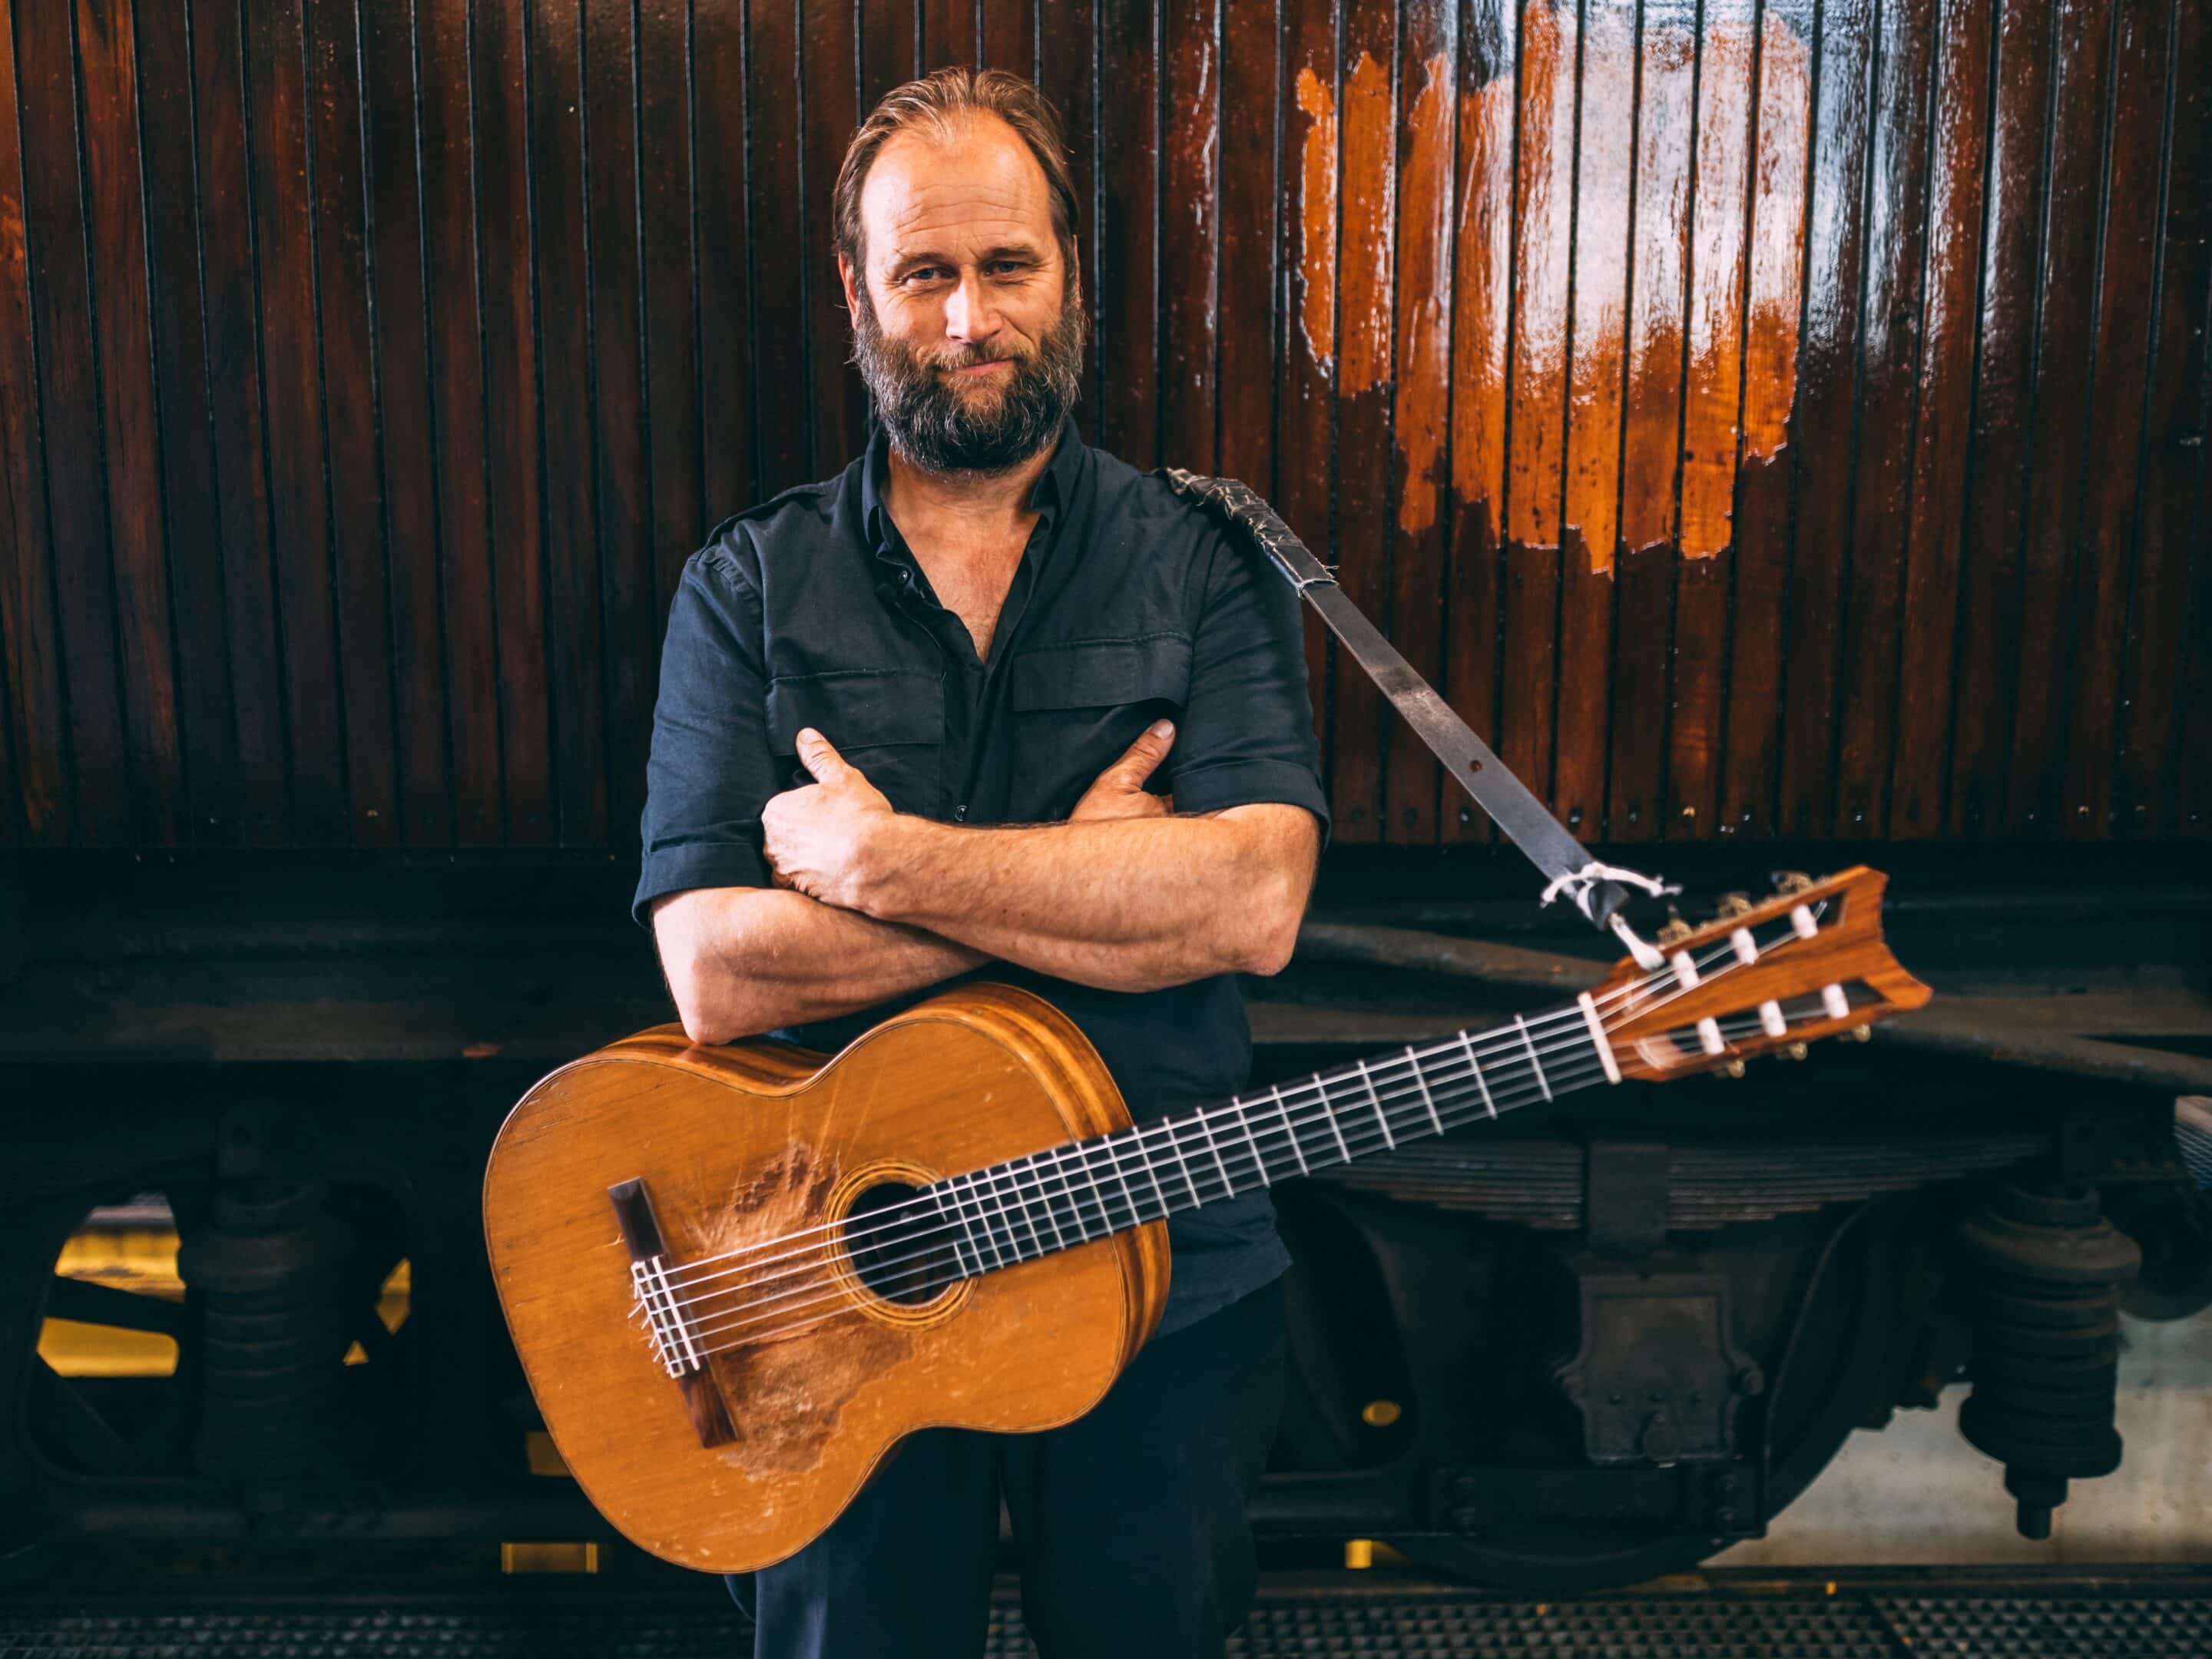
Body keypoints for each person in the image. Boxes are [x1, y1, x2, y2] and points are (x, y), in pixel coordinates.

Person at [633, 66, 1328, 1659]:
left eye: (1006, 267)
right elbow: (716, 968)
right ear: (857, 294)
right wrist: (1076, 892)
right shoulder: (747, 588)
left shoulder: (1208, 563)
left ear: (1069, 271)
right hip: (835, 1278)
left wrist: (883, 863)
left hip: (1164, 1262)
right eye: (923, 274)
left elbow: (1254, 901)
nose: (967, 320)